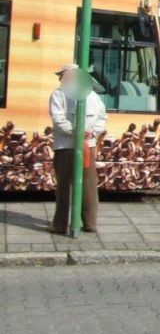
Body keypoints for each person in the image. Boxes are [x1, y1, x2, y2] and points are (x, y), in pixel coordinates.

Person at [49, 64, 107, 234]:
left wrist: (75, 132)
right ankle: (90, 223)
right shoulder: (94, 95)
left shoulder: (58, 94)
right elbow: (103, 117)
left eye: (62, 75)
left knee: (64, 186)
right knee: (88, 186)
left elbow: (58, 119)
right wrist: (91, 133)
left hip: (66, 146)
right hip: (88, 146)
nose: (60, 78)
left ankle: (60, 225)